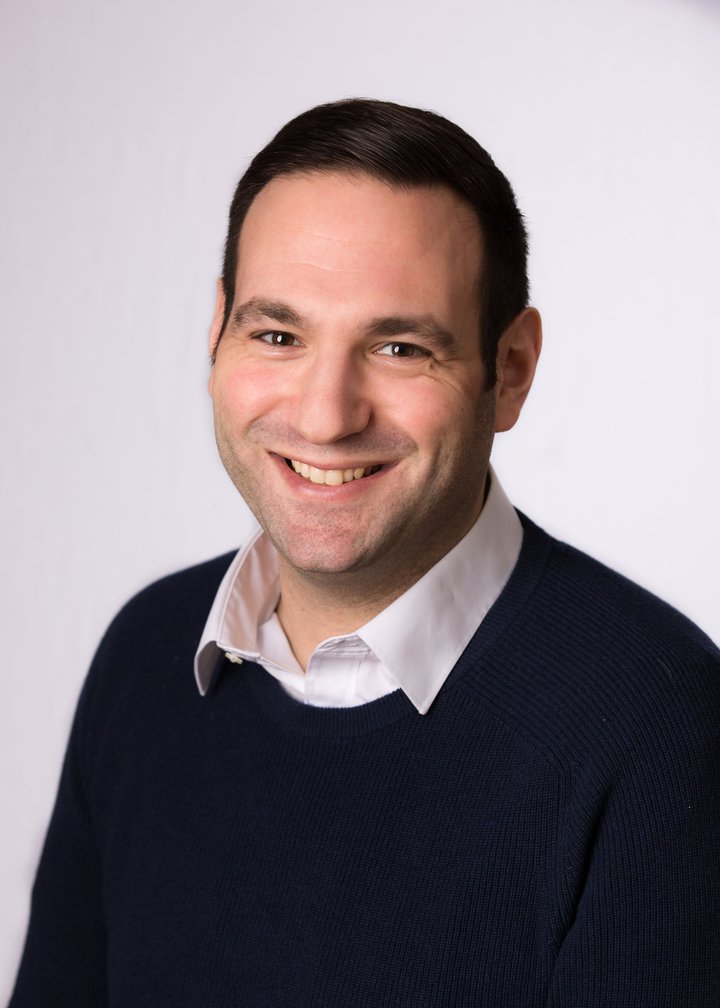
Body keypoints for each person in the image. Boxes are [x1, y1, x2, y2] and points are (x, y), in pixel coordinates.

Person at [9, 99, 720, 1007]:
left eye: (398, 346)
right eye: (278, 335)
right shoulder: (147, 654)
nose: (325, 415)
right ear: (217, 332)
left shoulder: (658, 725)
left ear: (510, 370)